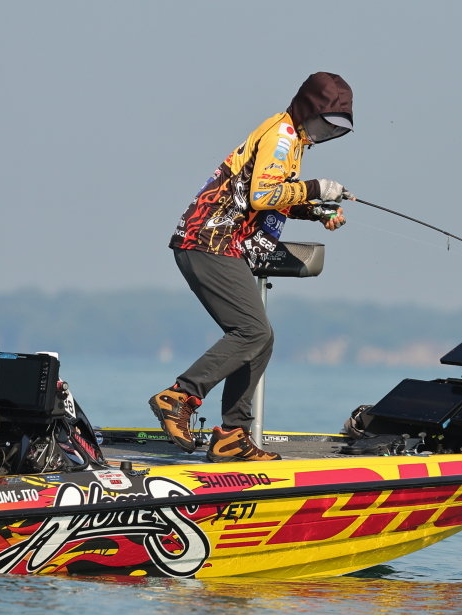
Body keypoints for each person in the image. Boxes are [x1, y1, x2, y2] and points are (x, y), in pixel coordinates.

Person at [149, 72, 353, 463]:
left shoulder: (292, 140)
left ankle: (232, 435)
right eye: (323, 122)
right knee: (252, 331)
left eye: (333, 128)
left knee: (261, 338)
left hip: (220, 244)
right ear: (307, 109)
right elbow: (262, 195)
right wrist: (316, 188)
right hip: (208, 241)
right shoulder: (282, 137)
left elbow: (272, 195)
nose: (325, 132)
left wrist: (317, 210)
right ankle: (179, 397)